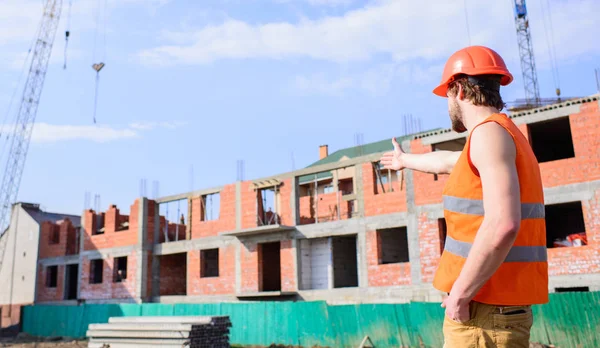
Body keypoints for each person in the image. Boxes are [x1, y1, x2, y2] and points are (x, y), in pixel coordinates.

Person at [380, 45, 548, 347]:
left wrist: (460, 294)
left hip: (482, 312)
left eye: (446, 94)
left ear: (458, 89)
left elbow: (502, 225)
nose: (447, 103)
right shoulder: (503, 135)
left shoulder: (488, 135)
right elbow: (447, 162)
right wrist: (405, 160)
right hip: (492, 310)